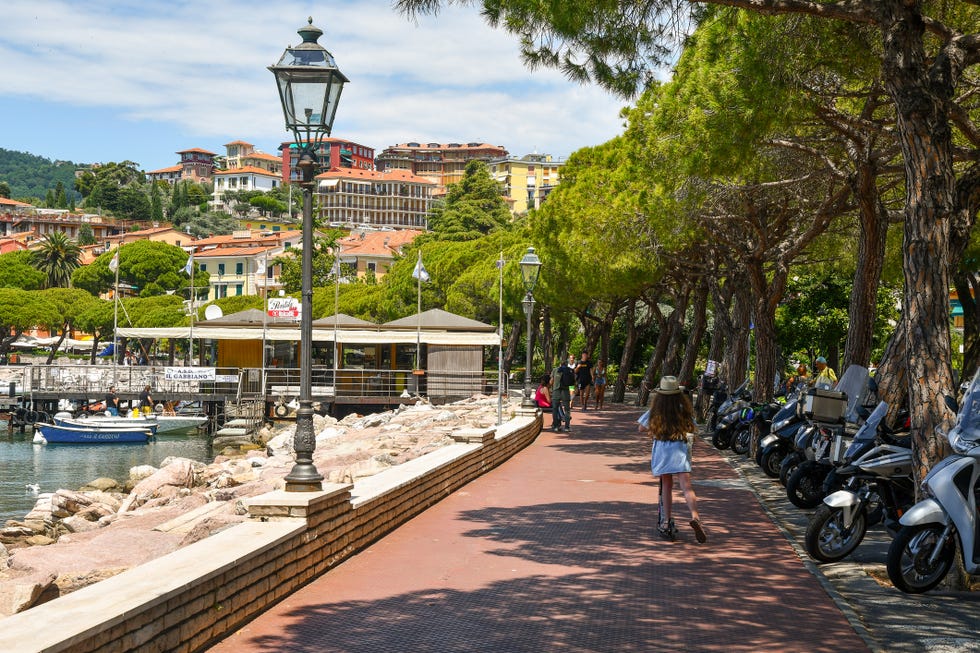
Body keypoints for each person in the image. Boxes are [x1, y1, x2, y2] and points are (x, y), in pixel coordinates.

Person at [646, 376, 707, 543]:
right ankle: (695, 516)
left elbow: (641, 427)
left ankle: (666, 521)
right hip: (680, 449)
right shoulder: (682, 408)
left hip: (662, 451)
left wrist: (652, 430)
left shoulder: (656, 410)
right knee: (686, 487)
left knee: (666, 485)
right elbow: (693, 428)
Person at [551, 356, 575, 432]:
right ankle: (567, 427)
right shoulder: (570, 370)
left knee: (555, 408)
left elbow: (551, 381)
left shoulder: (555, 370)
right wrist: (572, 393)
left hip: (556, 391)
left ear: (560, 364)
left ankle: (556, 426)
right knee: (567, 409)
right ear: (567, 364)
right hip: (565, 391)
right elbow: (572, 383)